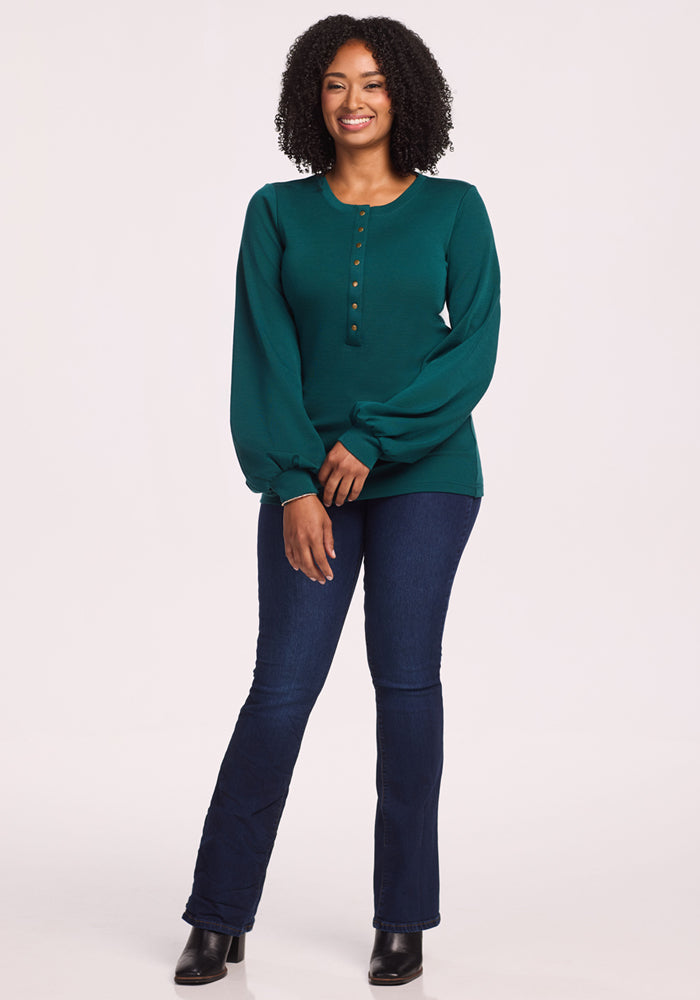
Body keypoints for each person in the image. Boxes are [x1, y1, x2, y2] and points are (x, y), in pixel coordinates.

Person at [174, 13, 500, 987]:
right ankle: (217, 913)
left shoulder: (455, 209)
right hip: (307, 485)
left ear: (404, 94)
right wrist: (288, 481)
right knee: (280, 689)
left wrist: (373, 438)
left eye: (371, 82)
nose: (352, 101)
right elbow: (261, 356)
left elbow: (471, 348)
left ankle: (403, 917)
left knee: (405, 685)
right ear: (308, 100)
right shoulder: (275, 211)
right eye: (331, 84)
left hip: (428, 476)